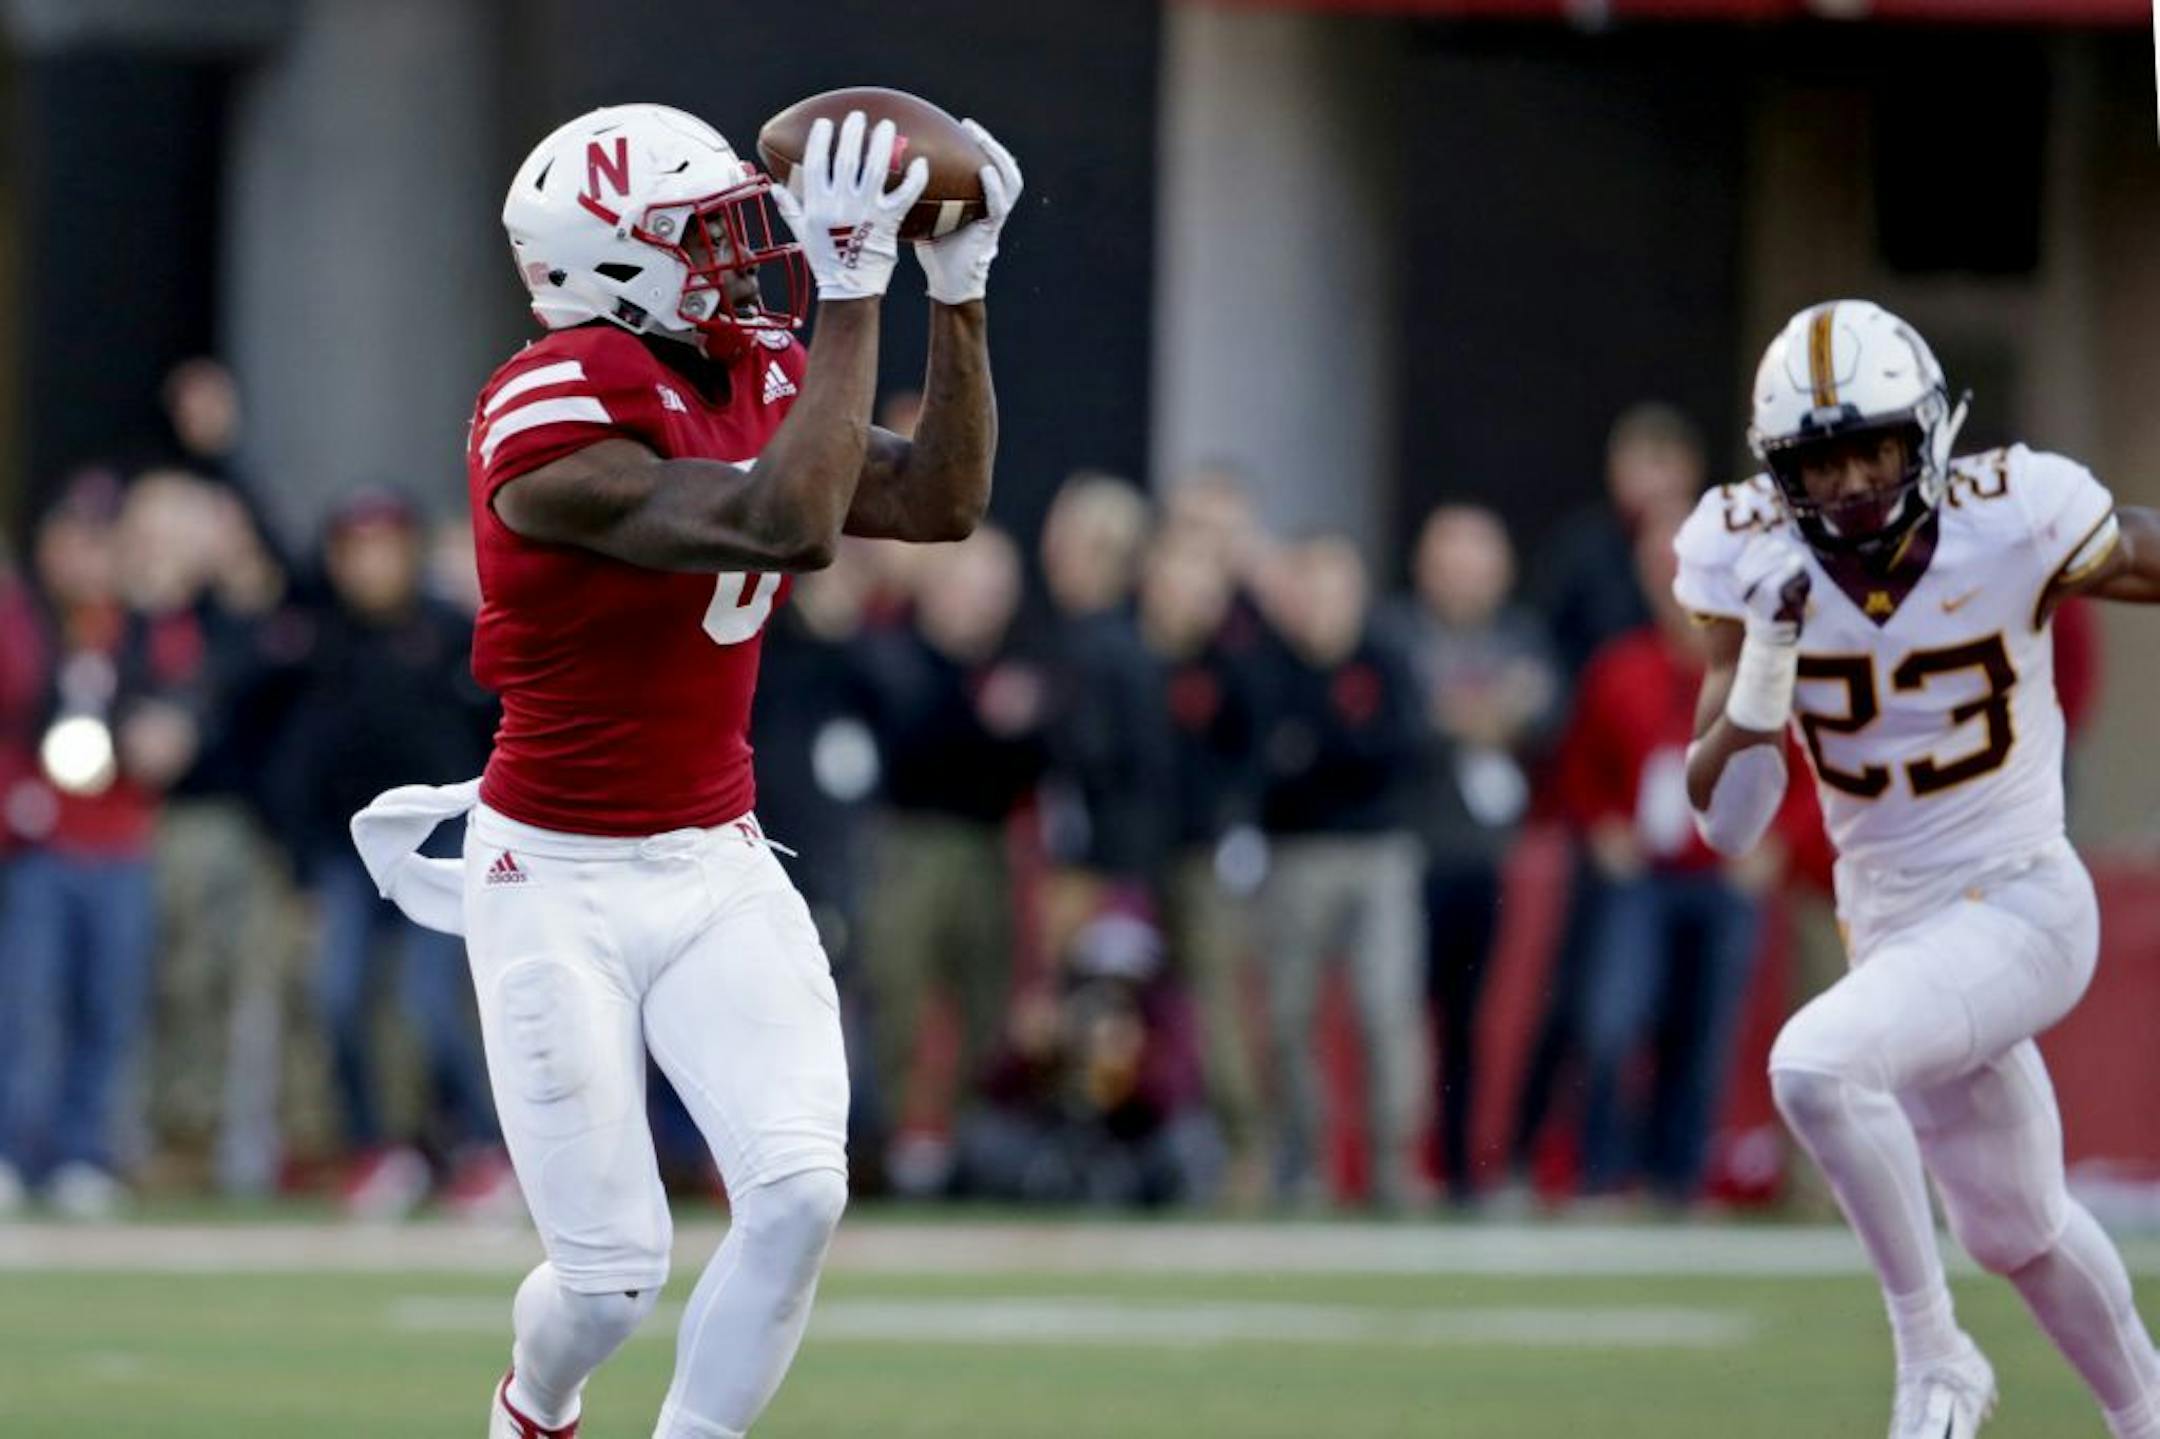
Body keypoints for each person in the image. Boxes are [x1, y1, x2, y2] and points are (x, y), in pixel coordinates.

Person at [349, 104, 1021, 1439]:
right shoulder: (548, 408)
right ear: (604, 265)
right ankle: (534, 1402)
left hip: (714, 857)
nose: (737, 259)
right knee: (607, 1279)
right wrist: (845, 295)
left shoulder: (756, 361)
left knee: (798, 1192)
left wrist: (957, 291)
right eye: (700, 238)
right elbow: (788, 519)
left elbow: (938, 503)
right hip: (557, 873)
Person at [1678, 299, 2160, 1438]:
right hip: (1895, 929)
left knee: (1815, 1066)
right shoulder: (1741, 551)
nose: (1848, 483)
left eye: (1874, 448)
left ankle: (1934, 1352)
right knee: (2016, 1227)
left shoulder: (2019, 512)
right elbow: (1731, 825)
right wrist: (1764, 667)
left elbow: (2139, 550)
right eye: (1821, 459)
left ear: (1929, 435)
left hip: (2025, 898)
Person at [1253, 533, 1428, 1211]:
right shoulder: (1273, 664)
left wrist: (1320, 754)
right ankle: (1307, 1165)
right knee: (1288, 1014)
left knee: (1386, 1009)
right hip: (1295, 853)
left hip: (1379, 851)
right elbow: (1266, 762)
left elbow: (1400, 748)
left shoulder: (1386, 656)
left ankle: (1393, 1167)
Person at [1390, 505, 1557, 1205]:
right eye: (1451, 562)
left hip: (1486, 859)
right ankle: (1394, 1165)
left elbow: (1547, 705)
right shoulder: (1397, 632)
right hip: (1408, 849)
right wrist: (1483, 712)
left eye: (1475, 565)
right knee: (1399, 1013)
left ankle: (1462, 1168)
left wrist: (1471, 714)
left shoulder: (1520, 632)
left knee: (1468, 1021)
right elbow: (1400, 714)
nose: (1462, 579)